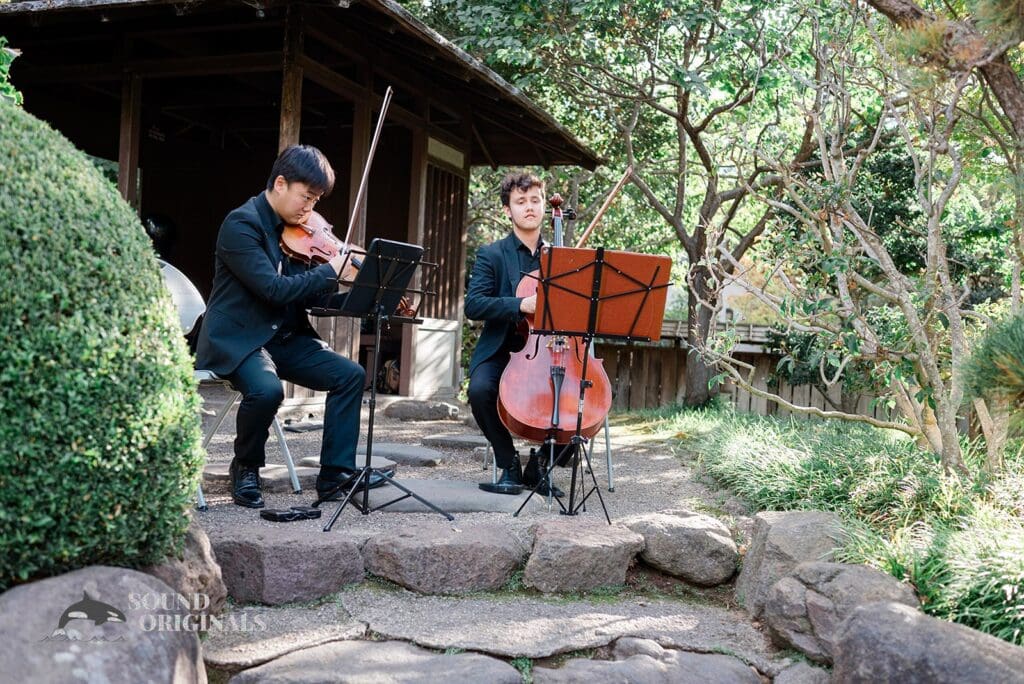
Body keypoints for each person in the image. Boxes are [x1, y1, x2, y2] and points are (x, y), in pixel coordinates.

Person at [195, 144, 387, 508]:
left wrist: (361, 297)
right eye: (307, 197)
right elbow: (274, 289)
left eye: (315, 200)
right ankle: (246, 466)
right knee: (267, 390)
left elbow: (309, 299)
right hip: (241, 338)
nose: (310, 208)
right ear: (280, 183)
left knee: (350, 375)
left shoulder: (300, 232)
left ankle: (334, 476)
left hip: (283, 337)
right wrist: (331, 270)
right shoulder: (241, 225)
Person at [464, 171, 563, 497]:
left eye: (535, 200)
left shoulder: (562, 257)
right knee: (479, 390)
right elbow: (474, 304)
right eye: (521, 202)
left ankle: (542, 466)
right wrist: (522, 304)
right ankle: (509, 464)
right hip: (502, 348)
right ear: (508, 209)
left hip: (549, 350)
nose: (530, 207)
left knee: (580, 398)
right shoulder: (491, 254)